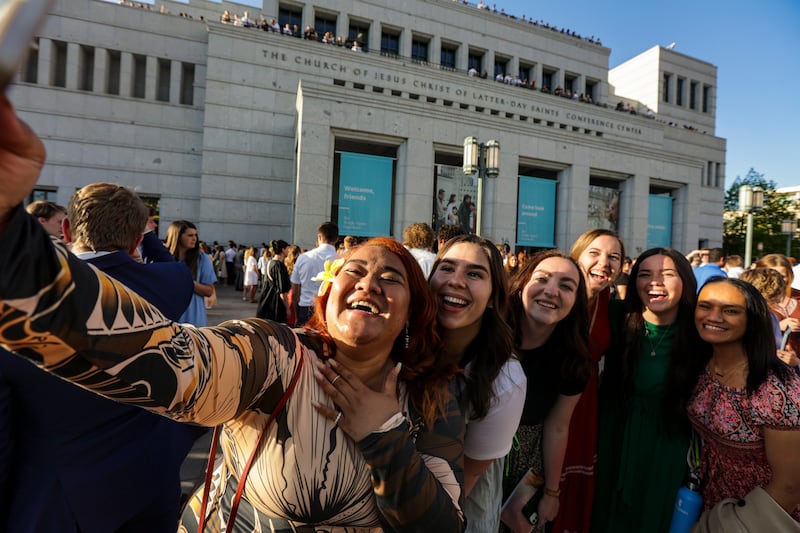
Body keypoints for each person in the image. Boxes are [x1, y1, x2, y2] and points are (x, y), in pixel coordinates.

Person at [0, 181, 201, 532]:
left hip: (61, 501)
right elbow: (170, 267)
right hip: (152, 482)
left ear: (65, 229)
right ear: (138, 239)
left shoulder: (17, 307)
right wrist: (148, 234)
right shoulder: (168, 284)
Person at [593, 248, 704, 532]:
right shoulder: (614, 316)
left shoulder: (701, 332)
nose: (654, 282)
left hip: (668, 445)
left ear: (686, 282)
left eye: (667, 274)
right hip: (611, 437)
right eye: (645, 274)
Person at [430, 235, 526, 533]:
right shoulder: (402, 344)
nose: (456, 281)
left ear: (493, 296)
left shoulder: (505, 379)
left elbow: (462, 482)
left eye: (474, 274)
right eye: (447, 268)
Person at [688, 278, 800, 520]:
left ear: (752, 321)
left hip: (762, 516)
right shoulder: (699, 365)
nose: (714, 316)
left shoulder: (776, 389)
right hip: (711, 504)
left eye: (730, 311)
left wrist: (736, 525)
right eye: (705, 306)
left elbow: (790, 485)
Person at [500, 250, 592, 533]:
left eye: (566, 286)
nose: (551, 291)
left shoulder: (573, 359)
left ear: (576, 302)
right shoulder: (490, 335)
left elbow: (557, 427)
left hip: (526, 468)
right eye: (542, 279)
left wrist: (552, 493)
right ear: (522, 285)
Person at [556, 229, 624, 533]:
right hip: (549, 397)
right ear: (577, 256)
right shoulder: (553, 294)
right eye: (595, 253)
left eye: (614, 257)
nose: (604, 263)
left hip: (586, 401)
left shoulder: (609, 302)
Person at [166, 219, 217, 326]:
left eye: (195, 235)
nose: (194, 238)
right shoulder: (162, 258)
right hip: (166, 318)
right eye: (190, 235)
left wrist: (186, 281)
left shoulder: (202, 259)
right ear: (177, 236)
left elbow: (209, 291)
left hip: (193, 320)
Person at [290, 221, 339, 326]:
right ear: (336, 239)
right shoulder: (341, 260)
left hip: (305, 308)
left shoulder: (303, 258)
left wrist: (296, 315)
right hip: (329, 310)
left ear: (319, 237)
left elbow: (295, 291)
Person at [256, 239, 292, 323]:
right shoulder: (278, 266)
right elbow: (282, 291)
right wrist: (287, 308)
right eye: (287, 249)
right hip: (275, 305)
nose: (288, 251)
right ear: (283, 249)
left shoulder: (270, 263)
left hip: (266, 303)